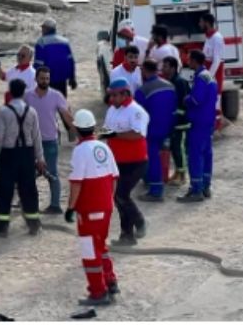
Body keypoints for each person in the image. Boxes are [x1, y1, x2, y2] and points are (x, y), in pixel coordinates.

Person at [65, 109, 120, 306]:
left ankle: (98, 292)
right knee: (100, 246)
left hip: (89, 210)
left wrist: (71, 208)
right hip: (106, 207)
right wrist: (108, 201)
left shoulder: (80, 151)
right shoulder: (104, 148)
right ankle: (110, 281)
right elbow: (114, 178)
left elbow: (76, 183)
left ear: (78, 129)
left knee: (90, 251)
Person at [0, 78, 45, 236]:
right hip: (27, 154)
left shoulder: (4, 111)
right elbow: (36, 136)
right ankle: (34, 224)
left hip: (9, 154)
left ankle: (2, 227)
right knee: (28, 189)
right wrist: (40, 159)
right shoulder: (31, 111)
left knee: (5, 190)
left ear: (10, 92)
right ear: (23, 92)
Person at [101, 78, 149, 246]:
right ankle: (126, 235)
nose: (111, 99)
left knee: (121, 195)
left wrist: (115, 135)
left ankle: (140, 222)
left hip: (136, 162)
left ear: (124, 94)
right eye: (111, 96)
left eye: (114, 96)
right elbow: (107, 130)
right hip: (117, 162)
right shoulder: (112, 110)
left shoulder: (136, 111)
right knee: (119, 197)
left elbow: (138, 134)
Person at [25, 66, 74, 214]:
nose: (45, 81)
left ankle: (55, 205)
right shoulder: (27, 96)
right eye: (42, 78)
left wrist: (78, 131)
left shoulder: (56, 95)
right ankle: (28, 203)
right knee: (28, 174)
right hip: (31, 142)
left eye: (47, 78)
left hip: (50, 141)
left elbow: (66, 115)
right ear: (36, 79)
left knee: (52, 173)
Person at [177, 51, 218, 202]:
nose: (188, 62)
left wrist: (186, 98)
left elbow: (196, 99)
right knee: (207, 154)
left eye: (189, 60)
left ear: (195, 61)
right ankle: (205, 187)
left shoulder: (200, 78)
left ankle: (196, 190)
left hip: (199, 121)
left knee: (195, 155)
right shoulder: (209, 76)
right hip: (208, 121)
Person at [134, 59, 177, 201]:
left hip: (151, 130)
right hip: (168, 128)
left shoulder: (143, 90)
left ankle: (156, 191)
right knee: (162, 157)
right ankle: (156, 184)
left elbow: (137, 113)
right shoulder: (170, 85)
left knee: (153, 159)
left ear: (145, 70)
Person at [162, 56, 191, 186]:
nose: (163, 69)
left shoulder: (179, 82)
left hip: (181, 122)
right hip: (173, 122)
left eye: (166, 66)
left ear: (173, 68)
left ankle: (183, 176)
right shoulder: (170, 81)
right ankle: (177, 173)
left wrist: (175, 116)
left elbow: (183, 104)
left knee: (179, 148)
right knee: (174, 148)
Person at [34, 18, 76, 97]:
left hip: (47, 80)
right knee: (62, 103)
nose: (42, 30)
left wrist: (36, 79)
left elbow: (38, 63)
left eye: (43, 28)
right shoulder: (65, 41)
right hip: (62, 80)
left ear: (47, 29)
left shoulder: (41, 42)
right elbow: (71, 61)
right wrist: (72, 78)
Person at [199, 13, 225, 127]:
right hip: (209, 72)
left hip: (214, 73)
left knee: (215, 101)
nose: (199, 24)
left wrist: (208, 77)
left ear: (207, 23)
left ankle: (216, 126)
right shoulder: (209, 37)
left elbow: (217, 60)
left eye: (201, 22)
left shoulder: (217, 38)